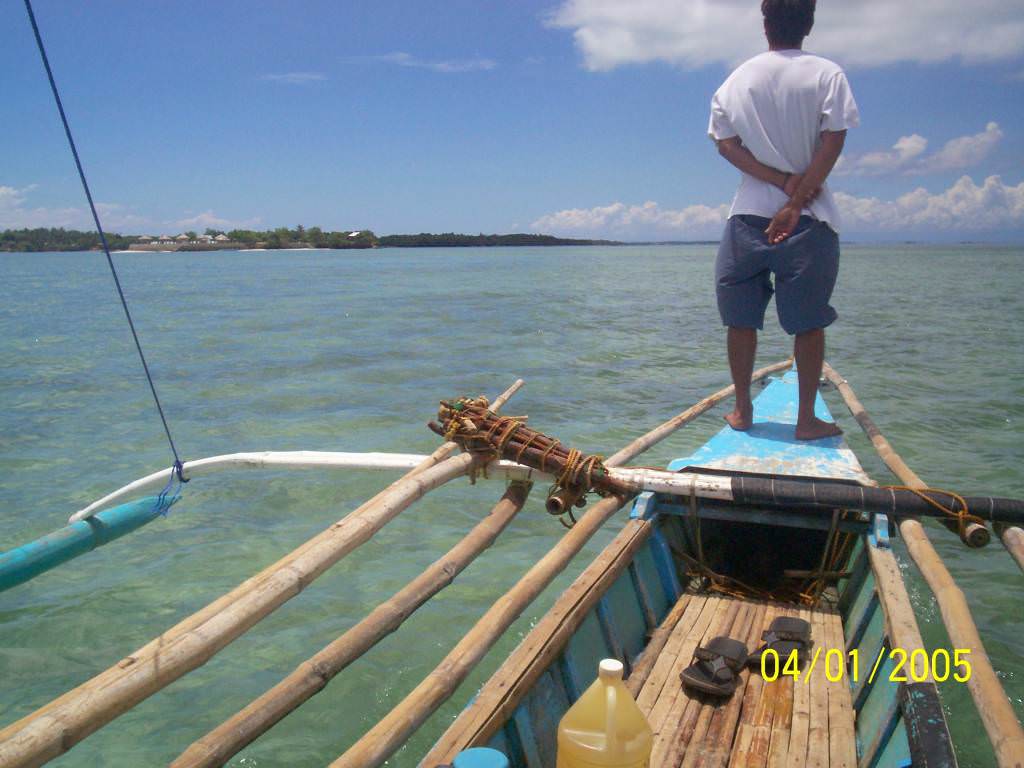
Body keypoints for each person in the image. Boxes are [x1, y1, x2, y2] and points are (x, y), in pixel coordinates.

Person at [708, 0, 859, 440]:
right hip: (811, 219)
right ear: (808, 23)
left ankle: (742, 410)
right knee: (808, 323)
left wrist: (778, 182)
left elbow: (726, 146)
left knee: (740, 319)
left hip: (746, 219)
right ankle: (806, 420)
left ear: (765, 23)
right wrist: (797, 199)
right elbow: (833, 142)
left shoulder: (737, 79)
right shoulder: (828, 74)